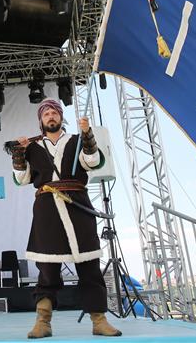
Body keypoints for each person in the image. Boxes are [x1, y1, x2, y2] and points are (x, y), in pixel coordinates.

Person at [11, 98, 121, 338]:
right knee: (47, 269)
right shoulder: (32, 147)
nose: (50, 116)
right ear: (41, 120)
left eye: (54, 112)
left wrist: (87, 135)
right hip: (47, 210)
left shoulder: (77, 140)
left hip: (77, 206)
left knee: (89, 266)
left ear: (61, 117)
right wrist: (18, 154)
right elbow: (22, 179)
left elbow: (92, 162)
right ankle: (43, 321)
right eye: (46, 113)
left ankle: (99, 320)